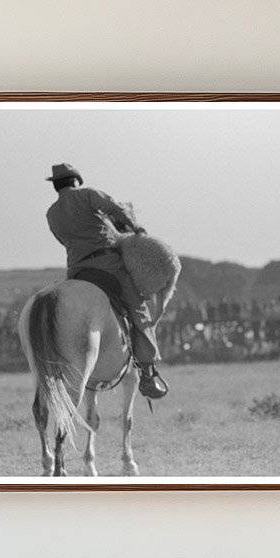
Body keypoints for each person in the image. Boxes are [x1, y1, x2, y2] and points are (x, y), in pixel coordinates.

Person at [44, 162, 168, 399]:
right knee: (137, 307)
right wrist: (134, 226)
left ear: (56, 186)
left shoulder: (51, 213)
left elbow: (62, 240)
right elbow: (114, 209)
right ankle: (148, 371)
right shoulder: (88, 195)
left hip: (77, 271)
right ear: (76, 181)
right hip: (107, 265)